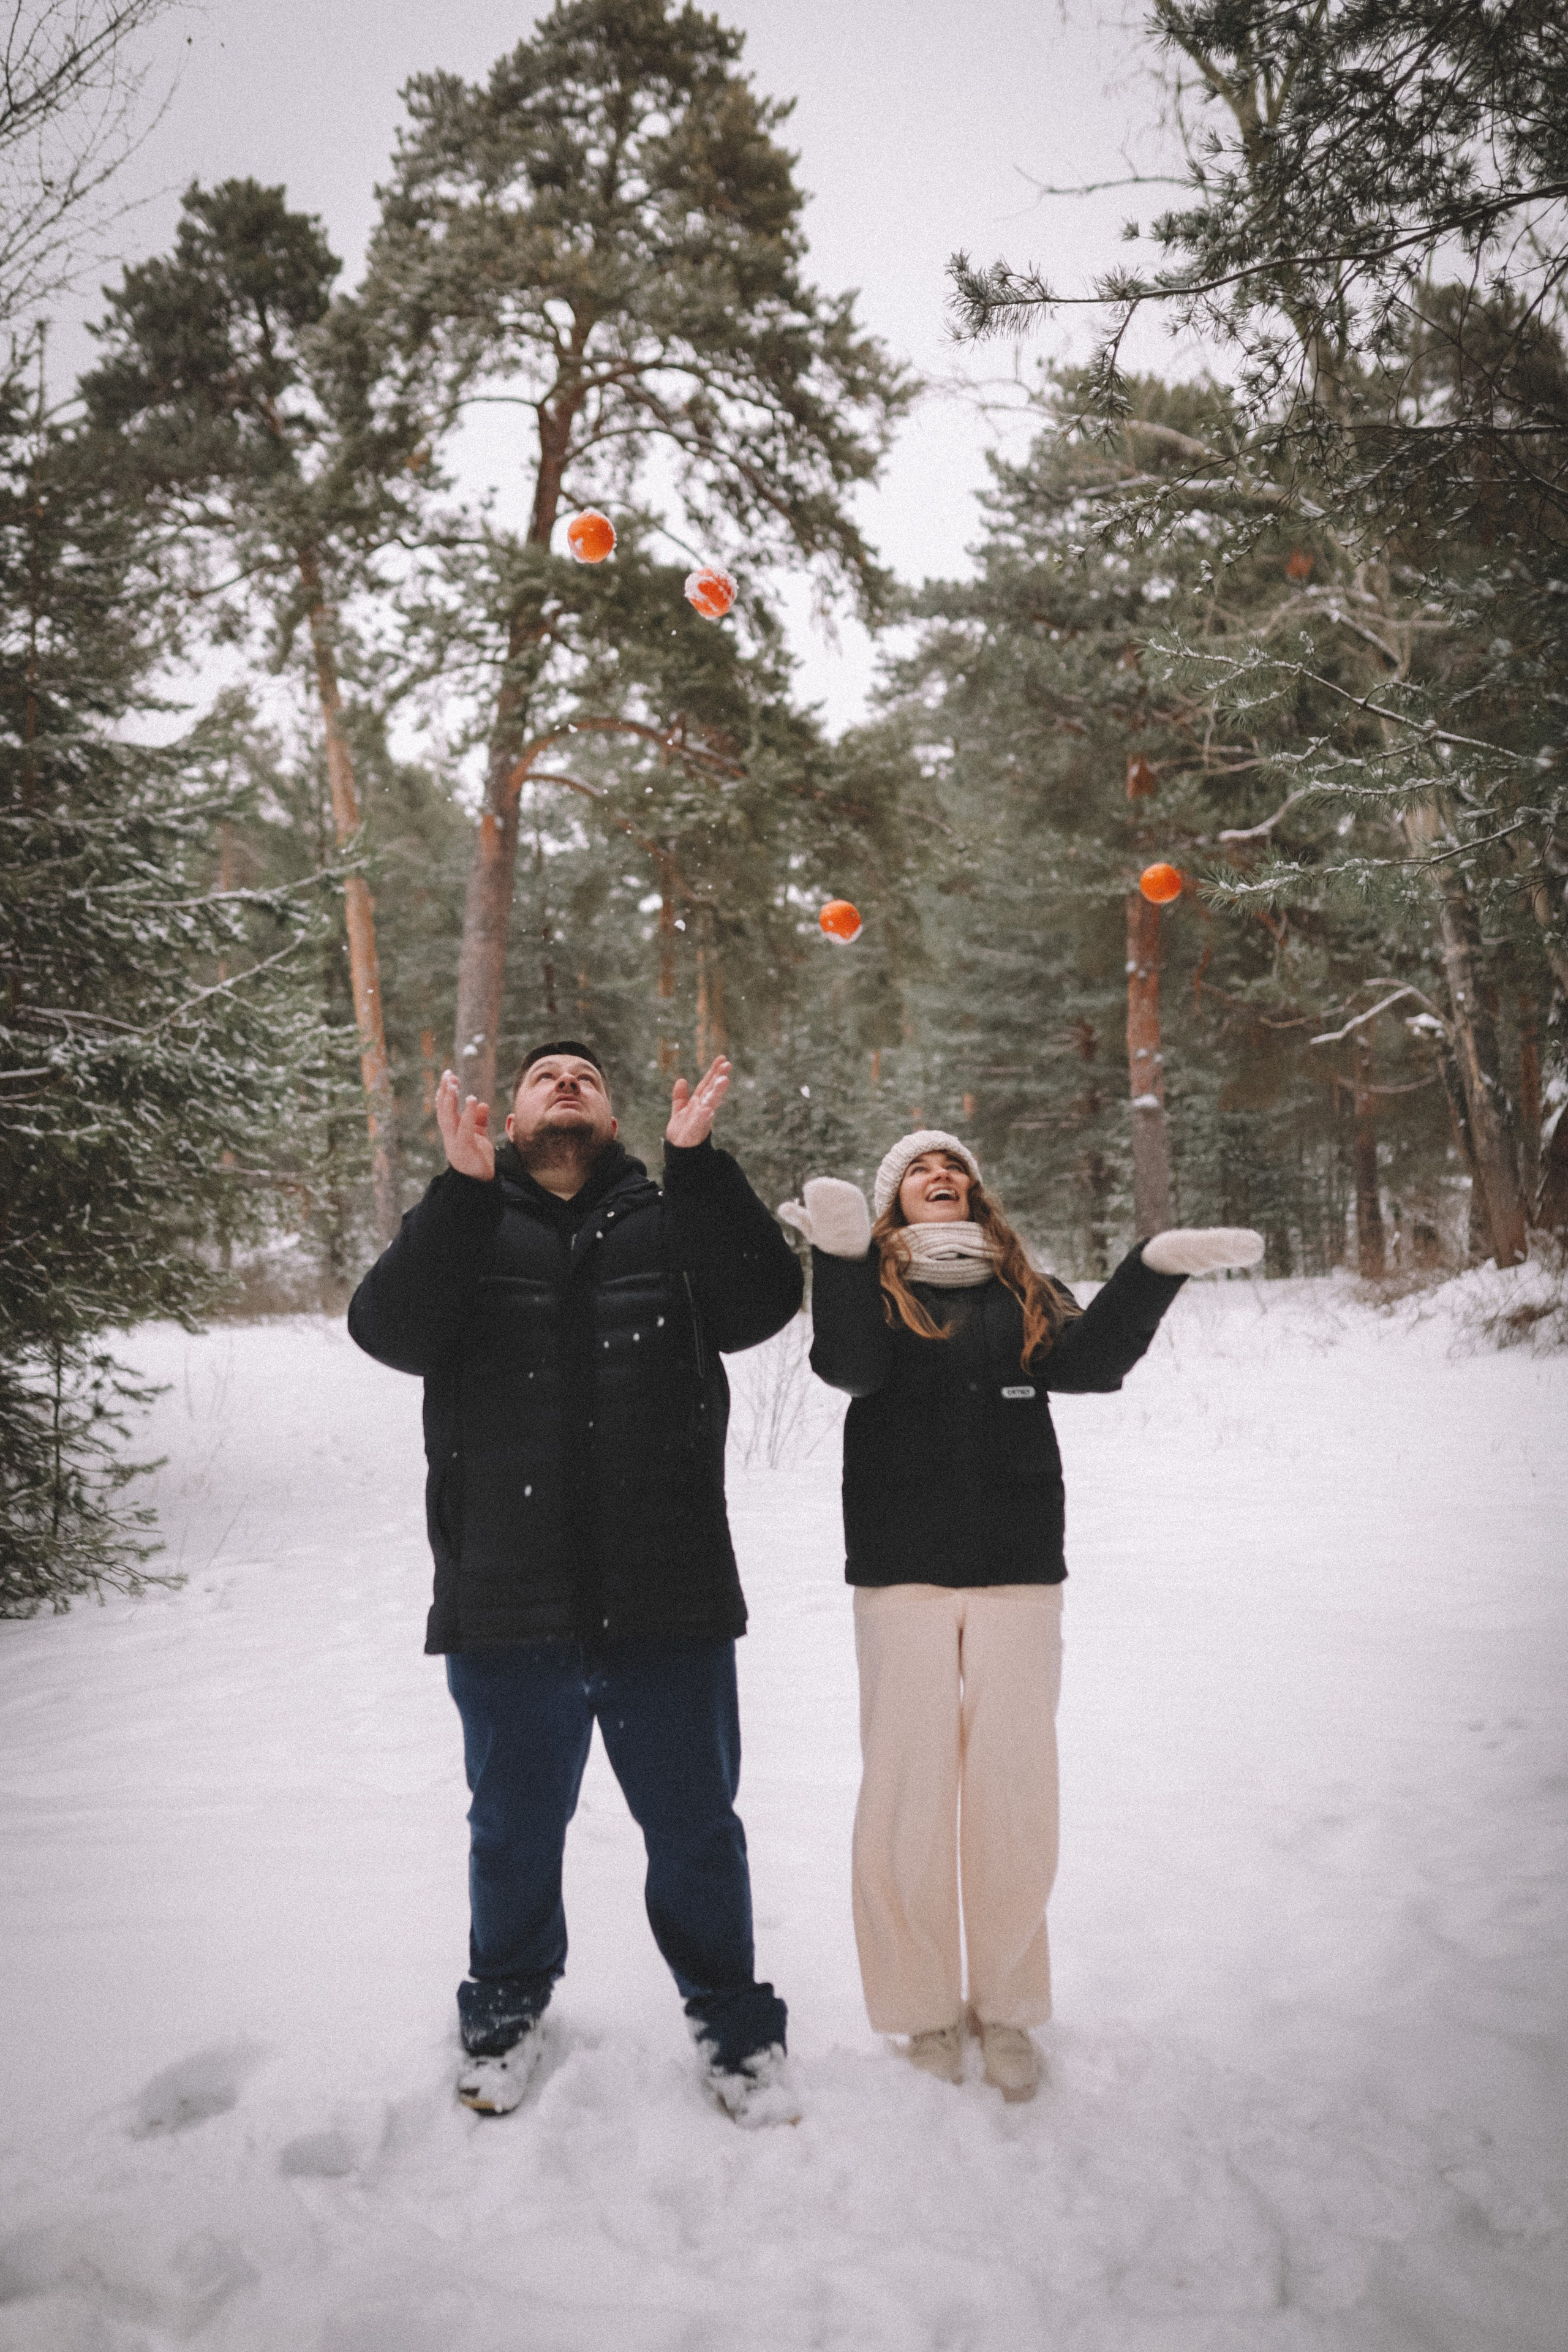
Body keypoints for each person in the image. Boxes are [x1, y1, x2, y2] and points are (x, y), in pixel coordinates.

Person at [348, 1042, 804, 2125]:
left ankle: (736, 2029)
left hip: (669, 1590)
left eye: (588, 1078)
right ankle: (504, 2014)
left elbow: (762, 1306)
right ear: (508, 1118)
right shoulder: (469, 1223)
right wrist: (458, 1197)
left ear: (613, 1117)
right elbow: (389, 1330)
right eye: (545, 1075)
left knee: (696, 1829)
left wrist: (699, 1167)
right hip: (507, 1597)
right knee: (512, 1831)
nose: (567, 1084)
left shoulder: (670, 1213)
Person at [782, 1131, 1261, 2102]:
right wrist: (838, 1258)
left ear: (974, 1192)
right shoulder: (873, 1285)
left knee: (1013, 1792)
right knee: (907, 1797)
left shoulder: (1021, 1287)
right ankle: (921, 2007)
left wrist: (1150, 1271)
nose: (940, 1175)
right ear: (893, 1201)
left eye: (952, 1166)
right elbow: (850, 1370)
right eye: (918, 1170)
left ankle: (1005, 2009)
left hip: (1017, 1570)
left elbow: (1089, 1366)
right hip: (903, 1571)